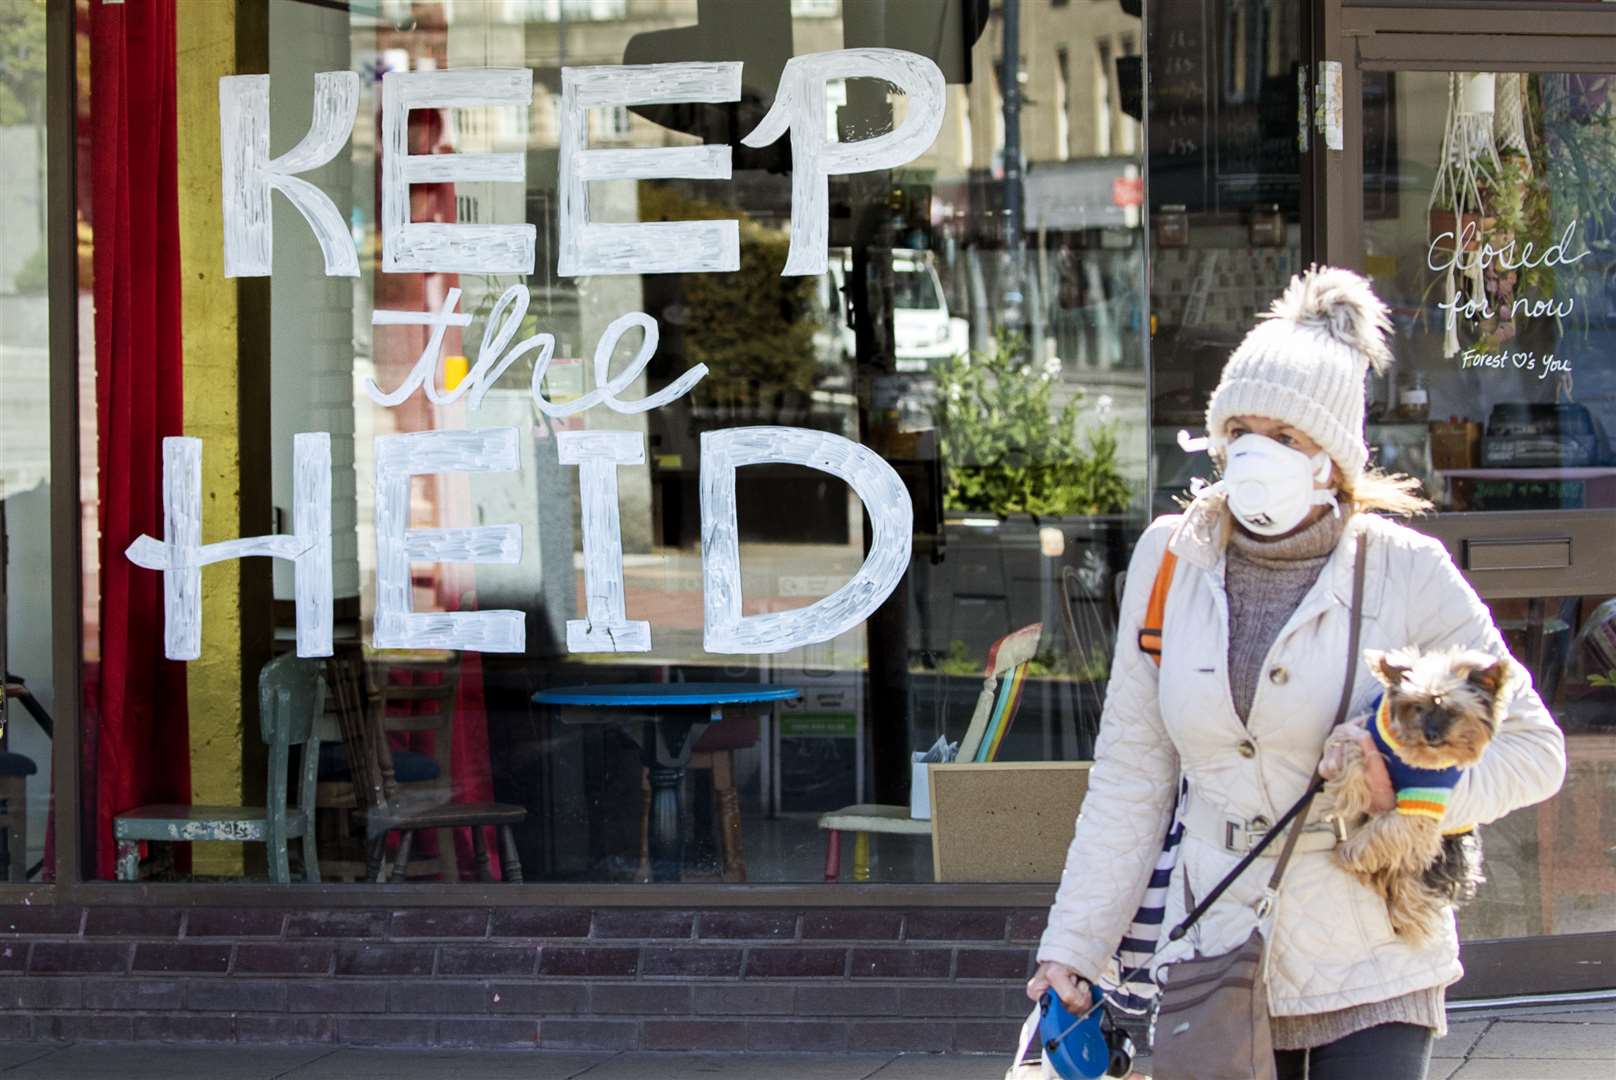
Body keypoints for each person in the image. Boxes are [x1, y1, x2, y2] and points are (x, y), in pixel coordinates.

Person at [1026, 267, 1566, 1080]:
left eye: (1285, 436)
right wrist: (1075, 945)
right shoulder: (1169, 562)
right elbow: (1131, 778)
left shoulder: (1404, 570)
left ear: (1334, 458)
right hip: (1213, 948)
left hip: (1373, 949)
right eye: (1239, 428)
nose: (1255, 453)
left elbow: (1535, 749)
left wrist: (1405, 786)